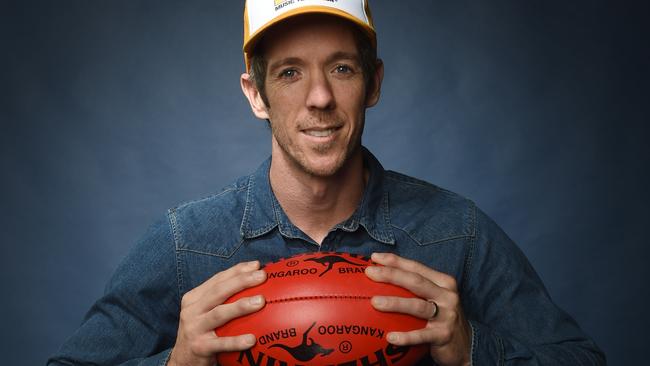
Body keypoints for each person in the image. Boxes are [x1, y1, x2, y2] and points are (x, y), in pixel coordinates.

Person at [48, 1, 606, 365]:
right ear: (255, 94)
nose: (319, 98)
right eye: (290, 73)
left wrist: (474, 350)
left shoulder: (453, 232)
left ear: (374, 83)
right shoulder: (186, 242)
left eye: (341, 68)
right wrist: (173, 365)